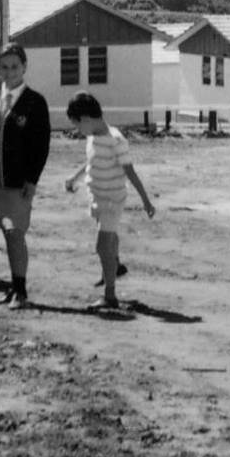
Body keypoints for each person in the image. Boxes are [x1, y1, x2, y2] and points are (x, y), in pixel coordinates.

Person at [0, 44, 51, 309]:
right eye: (4, 67)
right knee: (8, 234)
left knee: (15, 233)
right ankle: (13, 287)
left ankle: (21, 292)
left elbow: (41, 147)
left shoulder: (35, 102)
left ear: (25, 67)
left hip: (19, 182)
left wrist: (32, 181)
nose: (10, 72)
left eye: (15, 66)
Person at [62, 93, 155, 311]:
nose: (78, 130)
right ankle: (115, 267)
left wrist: (146, 201)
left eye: (77, 125)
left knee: (102, 245)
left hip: (113, 199)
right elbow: (90, 161)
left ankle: (110, 295)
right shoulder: (92, 137)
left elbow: (130, 171)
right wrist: (73, 177)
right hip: (97, 196)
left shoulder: (116, 140)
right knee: (109, 240)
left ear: (85, 119)